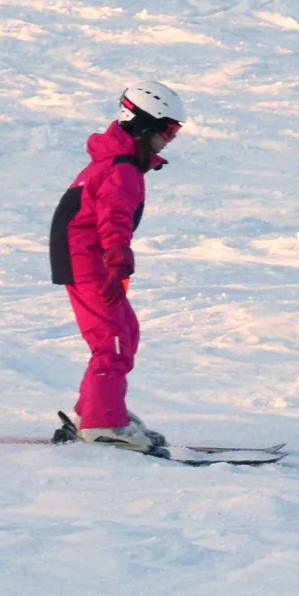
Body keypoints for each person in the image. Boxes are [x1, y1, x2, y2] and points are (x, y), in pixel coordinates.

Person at [49, 83, 186, 452]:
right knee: (111, 340)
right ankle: (102, 423)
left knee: (125, 331)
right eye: (169, 129)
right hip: (88, 258)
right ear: (144, 124)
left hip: (87, 256)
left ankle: (99, 409)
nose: (171, 139)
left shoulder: (115, 162)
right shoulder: (121, 168)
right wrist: (115, 262)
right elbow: (114, 218)